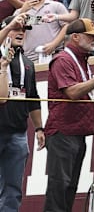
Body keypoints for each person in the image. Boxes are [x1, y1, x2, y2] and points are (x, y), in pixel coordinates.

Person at [44, 18, 94, 212]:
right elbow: (72, 92)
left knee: (69, 187)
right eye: (90, 36)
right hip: (63, 132)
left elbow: (78, 90)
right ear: (76, 37)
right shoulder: (63, 59)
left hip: (75, 132)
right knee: (59, 188)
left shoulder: (79, 59)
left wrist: (93, 94)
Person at [0, 14, 45, 212]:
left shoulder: (28, 62)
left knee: (13, 187)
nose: (21, 32)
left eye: (24, 30)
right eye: (17, 29)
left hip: (17, 131)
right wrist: (11, 23)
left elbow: (32, 97)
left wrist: (39, 128)